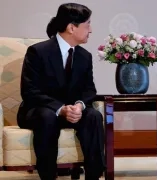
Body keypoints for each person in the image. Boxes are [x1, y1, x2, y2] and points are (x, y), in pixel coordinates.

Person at [17, 3, 105, 180]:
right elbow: (30, 91)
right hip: (40, 110)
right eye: (87, 24)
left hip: (72, 112)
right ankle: (48, 176)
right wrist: (61, 108)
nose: (91, 30)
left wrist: (79, 106)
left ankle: (94, 176)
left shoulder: (84, 56)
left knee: (93, 116)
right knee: (47, 116)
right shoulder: (38, 52)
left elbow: (89, 90)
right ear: (71, 27)